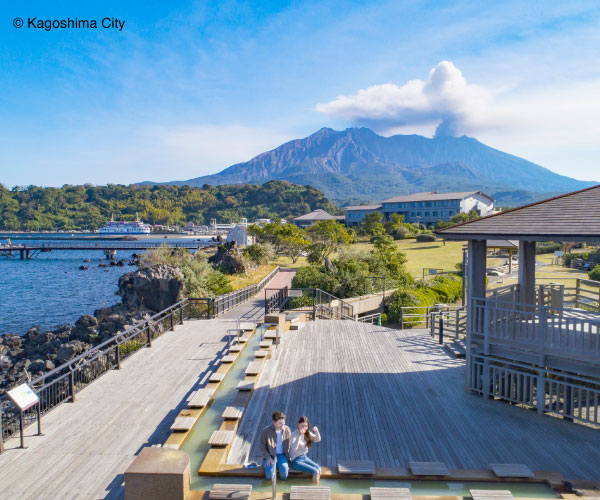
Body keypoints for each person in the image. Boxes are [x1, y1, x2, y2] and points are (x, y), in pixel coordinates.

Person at [259, 410, 290, 480]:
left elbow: (291, 443)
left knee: (284, 469)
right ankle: (268, 489)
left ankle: (282, 487)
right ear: (274, 422)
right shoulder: (266, 431)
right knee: (270, 471)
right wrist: (268, 457)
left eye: (283, 422)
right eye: (280, 423)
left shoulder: (287, 429)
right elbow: (262, 447)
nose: (283, 425)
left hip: (282, 455)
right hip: (270, 455)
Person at [289, 416, 322, 483]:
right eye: (302, 426)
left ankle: (316, 483)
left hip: (304, 457)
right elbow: (294, 448)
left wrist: (316, 431)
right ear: (298, 425)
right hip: (295, 461)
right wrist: (300, 435)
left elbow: (318, 439)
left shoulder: (307, 433)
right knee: (315, 471)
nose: (304, 428)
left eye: (306, 426)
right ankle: (314, 489)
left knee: (318, 468)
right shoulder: (294, 434)